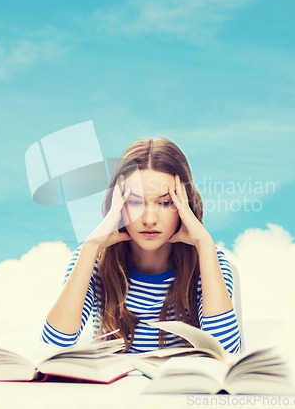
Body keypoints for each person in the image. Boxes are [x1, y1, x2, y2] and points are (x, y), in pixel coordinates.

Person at [41, 137, 241, 353]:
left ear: (186, 205)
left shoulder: (209, 260)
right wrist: (91, 247)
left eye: (166, 202)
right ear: (117, 205)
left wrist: (204, 245)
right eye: (135, 202)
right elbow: (53, 347)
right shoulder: (94, 258)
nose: (149, 219)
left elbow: (227, 353)